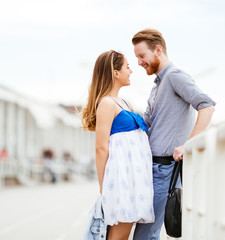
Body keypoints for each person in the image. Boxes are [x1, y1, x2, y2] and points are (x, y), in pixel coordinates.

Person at [132, 29, 216, 239]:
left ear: (158, 50)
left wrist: (188, 144)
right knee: (147, 234)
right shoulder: (158, 84)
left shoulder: (174, 76)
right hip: (153, 169)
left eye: (142, 56)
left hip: (165, 170)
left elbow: (207, 106)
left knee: (145, 235)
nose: (140, 62)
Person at [82, 50, 155, 240]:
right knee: (119, 236)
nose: (131, 71)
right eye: (127, 67)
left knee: (122, 234)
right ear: (116, 73)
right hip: (121, 181)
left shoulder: (123, 102)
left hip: (133, 180)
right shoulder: (106, 103)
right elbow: (101, 147)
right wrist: (104, 186)